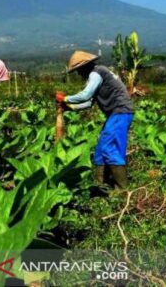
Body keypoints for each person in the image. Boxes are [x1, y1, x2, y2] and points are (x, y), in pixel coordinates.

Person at [56, 51, 134, 189]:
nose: (78, 74)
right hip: (116, 114)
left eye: (78, 70)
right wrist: (70, 107)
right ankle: (100, 185)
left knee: (110, 148)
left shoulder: (96, 73)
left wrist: (65, 99)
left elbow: (85, 95)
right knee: (100, 149)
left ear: (84, 67)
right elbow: (89, 102)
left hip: (120, 112)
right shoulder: (96, 76)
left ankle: (123, 190)